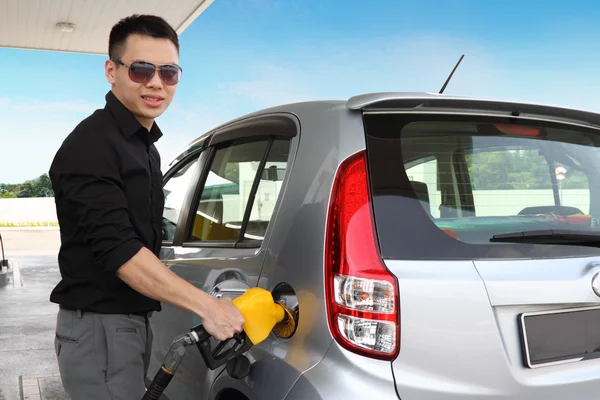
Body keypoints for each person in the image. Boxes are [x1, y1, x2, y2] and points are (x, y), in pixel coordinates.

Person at [48, 14, 245, 399]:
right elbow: (120, 251)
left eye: (168, 72)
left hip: (124, 325)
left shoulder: (143, 148)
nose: (156, 82)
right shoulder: (93, 145)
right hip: (98, 330)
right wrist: (209, 306)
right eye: (141, 69)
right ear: (112, 70)